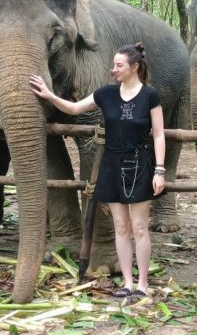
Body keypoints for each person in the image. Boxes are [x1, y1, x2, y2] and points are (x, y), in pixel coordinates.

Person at [30, 42, 165, 299]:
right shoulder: (105, 93)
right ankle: (127, 283)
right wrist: (49, 95)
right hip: (112, 165)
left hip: (140, 163)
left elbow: (158, 134)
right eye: (113, 64)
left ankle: (143, 284)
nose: (113, 69)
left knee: (139, 227)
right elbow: (74, 108)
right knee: (121, 227)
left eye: (119, 65)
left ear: (134, 67)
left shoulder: (150, 96)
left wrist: (159, 170)